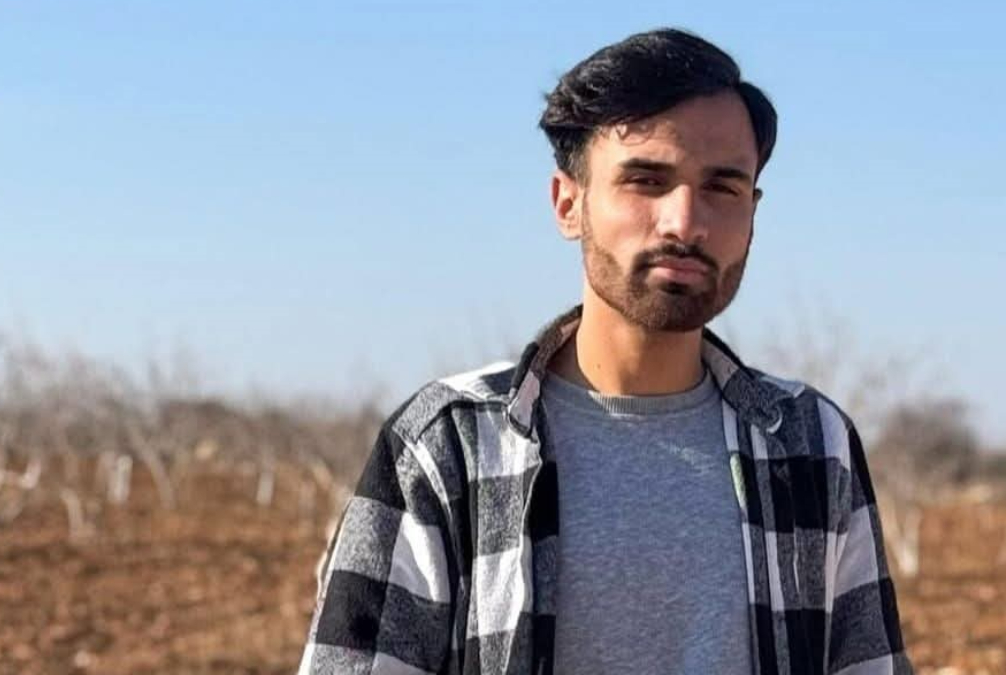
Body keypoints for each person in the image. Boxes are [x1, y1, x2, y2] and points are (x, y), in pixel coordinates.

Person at [298, 27, 912, 675]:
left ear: (753, 212)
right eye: (646, 180)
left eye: (722, 188)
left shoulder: (811, 444)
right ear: (569, 203)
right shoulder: (448, 445)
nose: (684, 222)